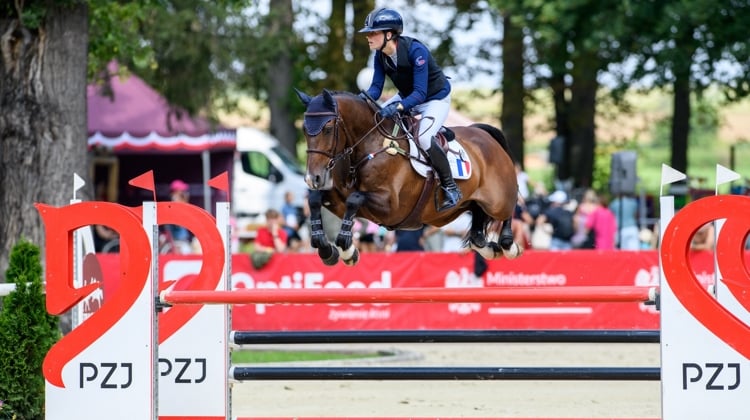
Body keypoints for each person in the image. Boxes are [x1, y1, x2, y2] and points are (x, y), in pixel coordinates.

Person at [359, 7, 460, 211]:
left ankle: (451, 187)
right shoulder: (379, 56)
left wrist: (397, 107)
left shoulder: (416, 51)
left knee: (423, 138)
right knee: (377, 118)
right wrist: (357, 101)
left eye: (373, 33)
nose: (369, 37)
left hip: (434, 98)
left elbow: (421, 93)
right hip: (408, 96)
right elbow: (376, 88)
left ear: (389, 34)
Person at [163, 179, 194, 254]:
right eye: (182, 193)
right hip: (176, 244)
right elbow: (178, 224)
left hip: (182, 242)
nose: (184, 194)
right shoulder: (172, 208)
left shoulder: (178, 207)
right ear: (175, 193)